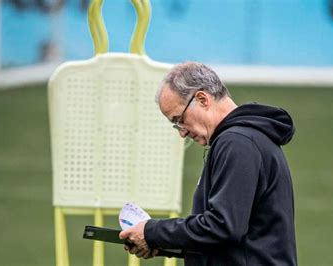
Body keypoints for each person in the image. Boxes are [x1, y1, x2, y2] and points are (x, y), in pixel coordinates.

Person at [120, 62, 297, 265]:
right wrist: (160, 242)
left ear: (202, 99)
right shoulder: (243, 139)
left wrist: (152, 231)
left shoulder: (237, 143)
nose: (182, 132)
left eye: (180, 119)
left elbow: (222, 227)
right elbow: (232, 241)